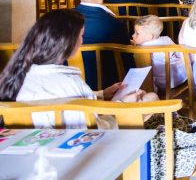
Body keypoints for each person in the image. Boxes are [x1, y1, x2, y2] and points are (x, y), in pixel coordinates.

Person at [0, 10, 155, 128]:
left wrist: (102, 94)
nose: (82, 40)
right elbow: (92, 130)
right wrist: (123, 103)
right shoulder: (69, 83)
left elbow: (59, 97)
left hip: (34, 143)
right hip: (77, 151)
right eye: (81, 35)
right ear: (68, 41)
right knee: (151, 99)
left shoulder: (21, 73)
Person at [73, 0, 131, 89]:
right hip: (105, 86)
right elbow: (126, 59)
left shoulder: (60, 20)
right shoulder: (113, 24)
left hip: (71, 85)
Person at [131, 15, 186, 93]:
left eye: (137, 33)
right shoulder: (166, 39)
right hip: (179, 76)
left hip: (162, 83)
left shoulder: (141, 50)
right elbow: (179, 53)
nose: (133, 35)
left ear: (150, 37)